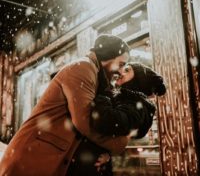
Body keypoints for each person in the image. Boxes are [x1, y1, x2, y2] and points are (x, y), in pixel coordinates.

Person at [0, 34, 130, 176]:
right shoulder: (83, 68)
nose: (121, 71)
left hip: (43, 158)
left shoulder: (95, 74)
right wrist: (119, 143)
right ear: (107, 56)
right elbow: (84, 121)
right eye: (121, 64)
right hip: (31, 158)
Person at [66, 62, 166, 176]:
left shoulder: (136, 106)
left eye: (127, 70)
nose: (121, 71)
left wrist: (104, 94)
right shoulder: (127, 101)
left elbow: (105, 121)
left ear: (138, 80)